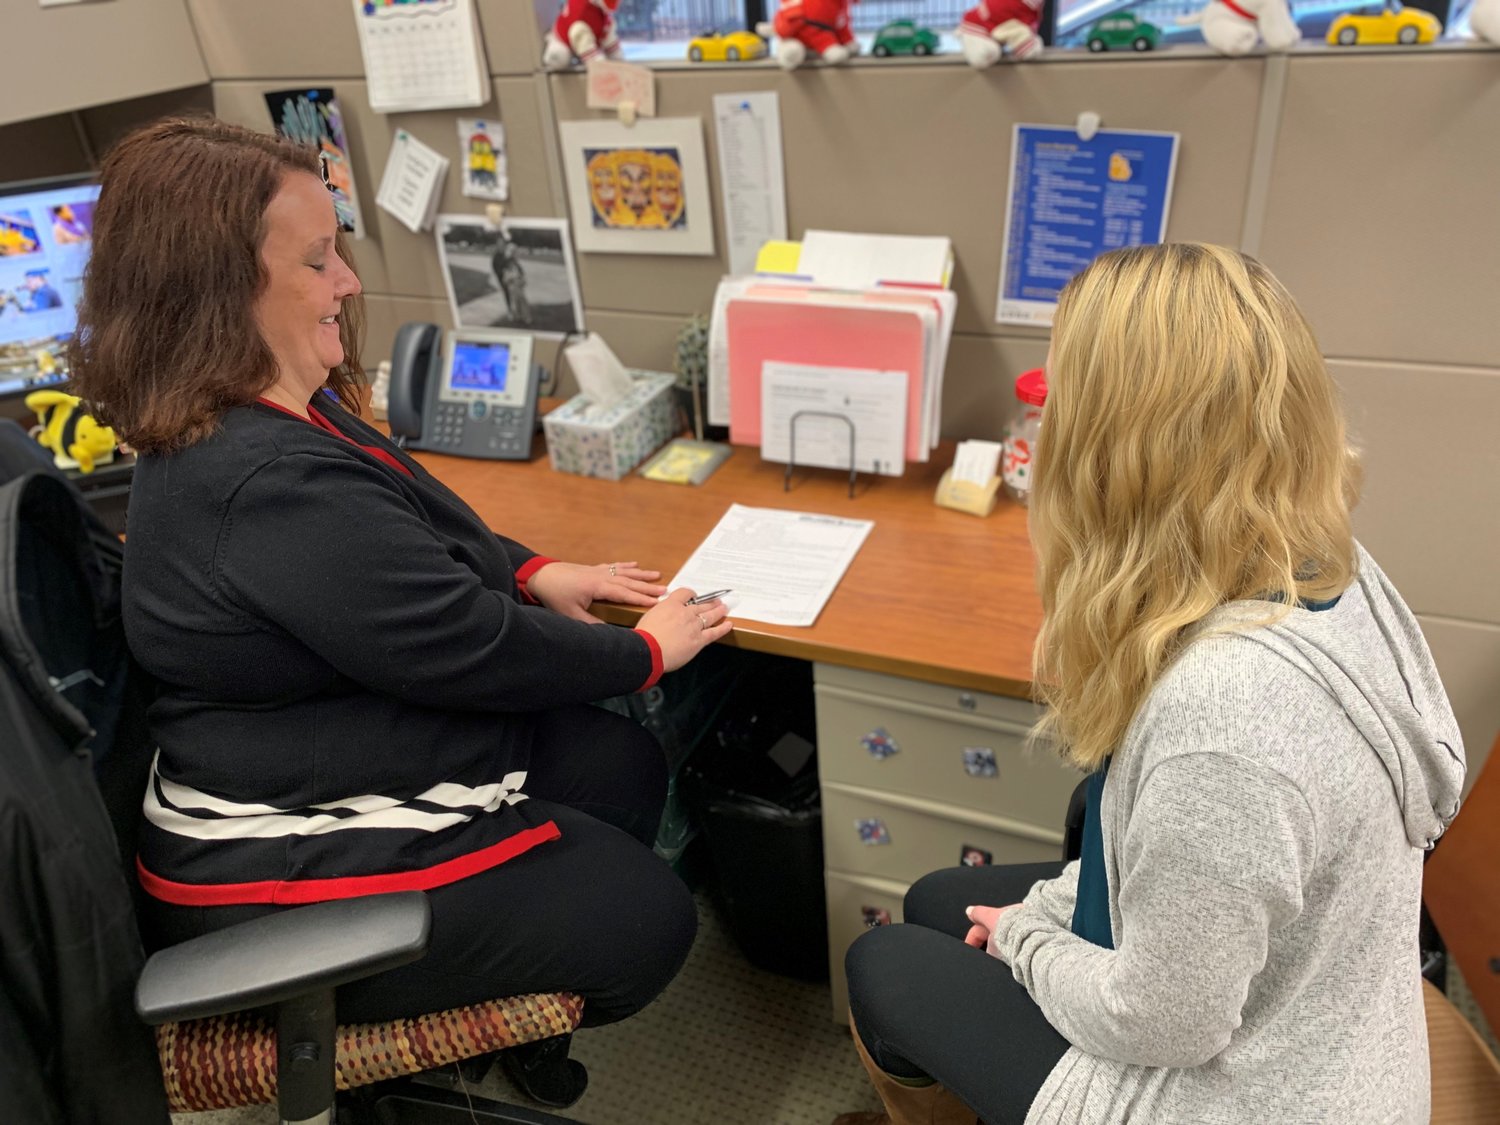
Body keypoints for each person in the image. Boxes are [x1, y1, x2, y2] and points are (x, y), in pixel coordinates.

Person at [68, 116, 732, 1105]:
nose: (348, 282)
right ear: (222, 291)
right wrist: (644, 655)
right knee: (648, 919)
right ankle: (429, 1044)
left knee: (620, 766)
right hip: (258, 854)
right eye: (318, 260)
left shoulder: (270, 404)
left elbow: (408, 536)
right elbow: (466, 648)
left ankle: (499, 964)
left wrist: (533, 569)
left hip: (308, 740)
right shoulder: (257, 479)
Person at [837, 243, 1466, 1125]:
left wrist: (1026, 937)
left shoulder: (1228, 716)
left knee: (889, 961)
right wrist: (1050, 913)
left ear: (1115, 445)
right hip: (1306, 977)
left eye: (1063, 403)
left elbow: (1163, 1022)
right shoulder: (1332, 564)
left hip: (1259, 1092)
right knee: (943, 899)